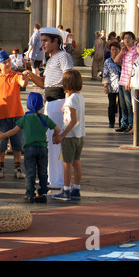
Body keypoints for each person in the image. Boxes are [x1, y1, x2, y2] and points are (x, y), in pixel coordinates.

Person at [23, 27, 74, 189]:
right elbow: (44, 84)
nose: (42, 44)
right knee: (50, 140)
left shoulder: (63, 57)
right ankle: (52, 177)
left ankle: (58, 179)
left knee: (56, 139)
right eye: (42, 40)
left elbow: (68, 80)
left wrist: (67, 102)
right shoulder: (51, 59)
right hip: (50, 101)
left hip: (59, 100)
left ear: (56, 41)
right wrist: (30, 75)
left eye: (45, 41)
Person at [0, 92, 61, 203]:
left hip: (29, 149)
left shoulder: (25, 118)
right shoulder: (44, 118)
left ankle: (29, 194)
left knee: (30, 172)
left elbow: (13, 131)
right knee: (42, 172)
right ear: (41, 105)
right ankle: (43, 194)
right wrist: (55, 136)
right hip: (43, 149)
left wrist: (2, 135)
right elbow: (58, 129)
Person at [0, 50, 28, 179]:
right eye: (4, 62)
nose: (8, 64)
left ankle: (17, 167)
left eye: (9, 61)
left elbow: (22, 83)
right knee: (0, 144)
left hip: (17, 115)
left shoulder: (16, 75)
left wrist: (25, 77)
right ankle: (1, 166)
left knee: (17, 144)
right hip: (1, 115)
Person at [52, 69, 85, 201]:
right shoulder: (79, 97)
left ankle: (65, 190)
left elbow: (73, 120)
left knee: (67, 163)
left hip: (70, 136)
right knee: (77, 162)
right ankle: (76, 188)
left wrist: (61, 135)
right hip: (80, 135)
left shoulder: (71, 100)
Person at [114, 31, 139, 133]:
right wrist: (121, 52)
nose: (126, 40)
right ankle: (123, 124)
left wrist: (129, 81)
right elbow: (116, 61)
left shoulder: (135, 51)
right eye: (125, 38)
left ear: (133, 40)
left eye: (129, 38)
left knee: (129, 105)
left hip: (128, 81)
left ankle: (130, 124)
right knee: (122, 105)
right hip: (121, 80)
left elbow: (134, 68)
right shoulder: (125, 51)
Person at [102, 41, 122, 128]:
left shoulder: (122, 60)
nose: (114, 51)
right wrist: (106, 86)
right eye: (112, 50)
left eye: (116, 50)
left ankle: (122, 122)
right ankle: (111, 121)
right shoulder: (108, 61)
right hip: (112, 85)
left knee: (122, 105)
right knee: (112, 104)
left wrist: (119, 64)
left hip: (122, 85)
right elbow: (105, 74)